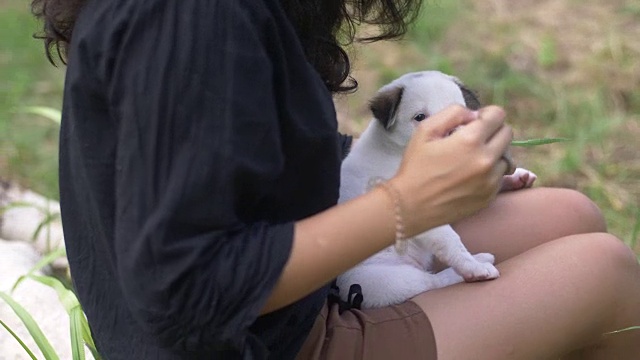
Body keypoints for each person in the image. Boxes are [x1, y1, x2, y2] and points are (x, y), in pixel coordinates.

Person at [31, 0, 640, 359]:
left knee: (569, 215)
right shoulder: (190, 19)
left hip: (286, 293)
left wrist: (426, 177)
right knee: (604, 272)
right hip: (255, 342)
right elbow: (184, 291)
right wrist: (404, 205)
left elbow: (250, 159)